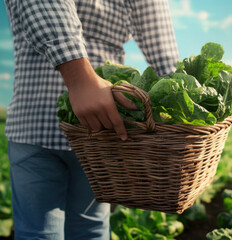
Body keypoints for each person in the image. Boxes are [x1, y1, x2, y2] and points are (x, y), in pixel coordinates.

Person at [4, 0, 179, 239]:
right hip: (76, 129)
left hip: (100, 132)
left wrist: (180, 100)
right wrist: (80, 78)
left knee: (67, 230)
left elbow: (159, 37)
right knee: (80, 230)